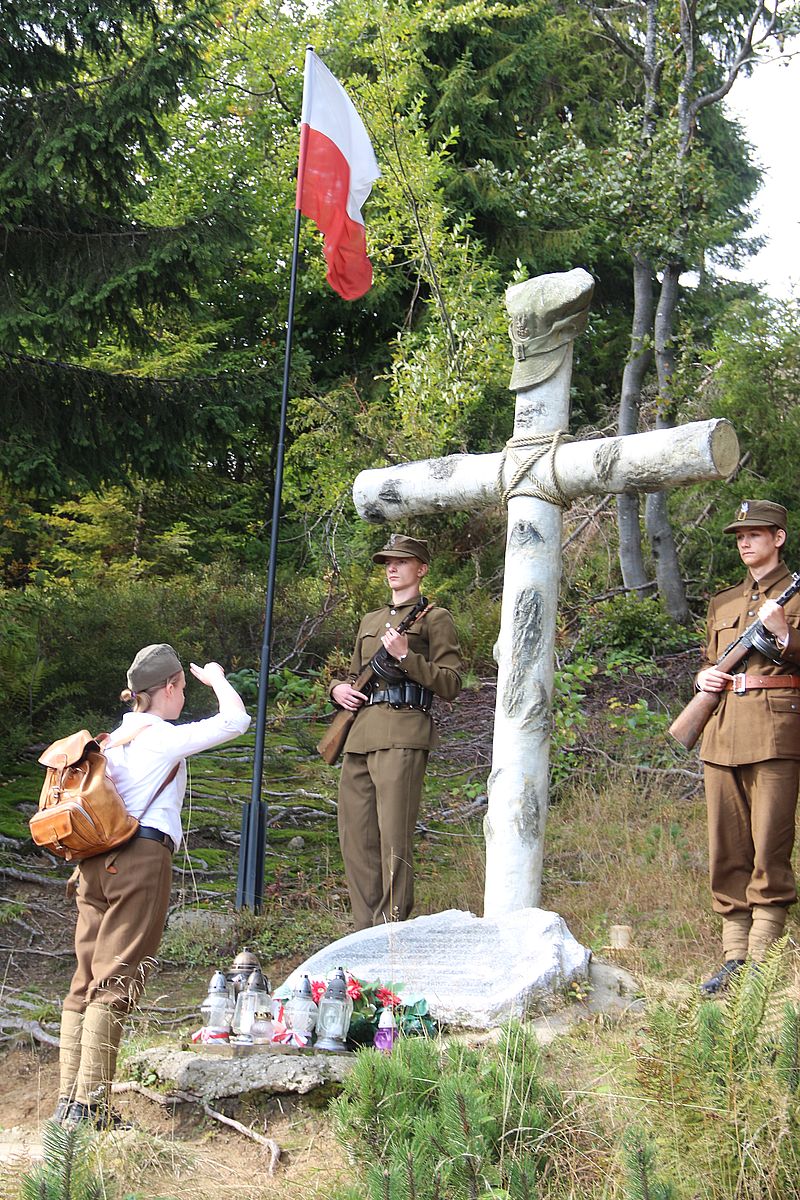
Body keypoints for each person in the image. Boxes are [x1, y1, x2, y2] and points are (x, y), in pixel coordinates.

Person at [55, 644, 250, 1127]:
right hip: (139, 859)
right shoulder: (159, 736)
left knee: (86, 978)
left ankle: (66, 1100)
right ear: (170, 687)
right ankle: (90, 1107)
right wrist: (219, 680)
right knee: (116, 978)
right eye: (183, 686)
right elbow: (235, 721)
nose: (184, 695)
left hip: (93, 864)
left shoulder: (113, 738)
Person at [330, 534, 463, 930]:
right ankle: (363, 929)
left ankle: (390, 929)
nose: (391, 568)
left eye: (401, 562)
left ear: (420, 569)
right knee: (355, 837)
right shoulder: (370, 620)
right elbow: (355, 676)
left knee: (393, 839)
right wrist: (336, 689)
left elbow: (451, 683)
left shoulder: (435, 619)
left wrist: (407, 656)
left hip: (404, 731)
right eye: (387, 561)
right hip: (359, 735)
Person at [695, 500, 800, 995]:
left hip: (775, 732)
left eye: (754, 534)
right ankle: (734, 956)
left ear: (777, 538)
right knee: (727, 850)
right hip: (720, 732)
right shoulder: (723, 601)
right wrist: (703, 675)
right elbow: (710, 660)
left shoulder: (795, 596)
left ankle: (763, 957)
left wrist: (785, 635)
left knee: (769, 847)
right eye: (739, 535)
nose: (744, 542)